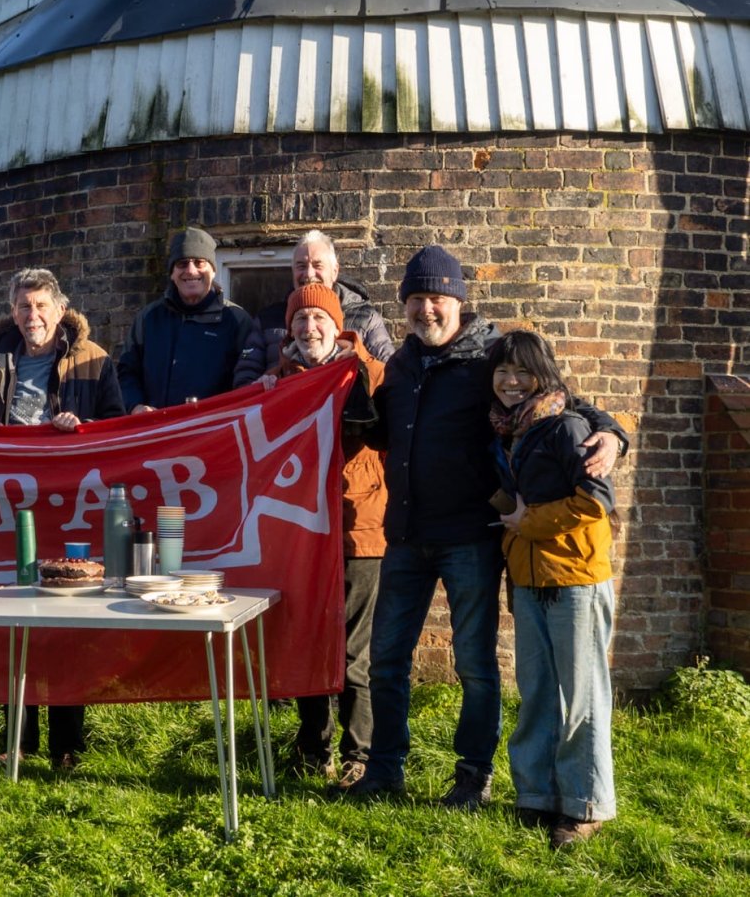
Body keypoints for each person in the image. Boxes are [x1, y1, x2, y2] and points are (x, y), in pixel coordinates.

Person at [345, 245, 626, 808]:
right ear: (404, 307)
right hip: (405, 536)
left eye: (437, 298)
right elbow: (378, 432)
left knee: (474, 664)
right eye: (416, 299)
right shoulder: (398, 365)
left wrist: (613, 432)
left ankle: (473, 774)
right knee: (387, 660)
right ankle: (384, 770)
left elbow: (560, 395)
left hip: (471, 536)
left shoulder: (486, 359)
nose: (426, 309)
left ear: (458, 302)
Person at [0, 268, 125, 770]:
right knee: (13, 623)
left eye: (40, 306)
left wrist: (80, 430)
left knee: (65, 625)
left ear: (60, 309)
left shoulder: (95, 362)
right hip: (10, 513)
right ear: (12, 312)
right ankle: (17, 739)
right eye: (22, 307)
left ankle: (66, 745)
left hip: (71, 511)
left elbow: (118, 432)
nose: (31, 316)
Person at [489, 330, 617, 849]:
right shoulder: (506, 430)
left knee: (582, 696)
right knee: (538, 691)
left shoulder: (568, 428)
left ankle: (585, 805)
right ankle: (537, 795)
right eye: (502, 372)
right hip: (529, 578)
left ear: (543, 375)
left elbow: (595, 502)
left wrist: (525, 521)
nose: (511, 381)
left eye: (522, 372)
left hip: (575, 578)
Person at [259, 283, 386, 790]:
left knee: (354, 650)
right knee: (310, 641)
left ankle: (360, 754)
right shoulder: (278, 380)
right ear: (289, 329)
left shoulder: (368, 372)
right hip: (302, 530)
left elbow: (385, 422)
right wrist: (265, 398)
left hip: (358, 526)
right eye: (300, 321)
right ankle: (314, 749)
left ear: (338, 325)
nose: (309, 329)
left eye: (319, 320)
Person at [234, 229, 394, 388]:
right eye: (301, 266)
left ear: (335, 271)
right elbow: (245, 383)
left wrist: (360, 364)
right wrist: (260, 388)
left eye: (318, 265)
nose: (309, 274)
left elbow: (391, 377)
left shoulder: (365, 318)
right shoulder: (267, 319)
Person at [117, 227, 252, 411]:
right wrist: (135, 405)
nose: (190, 270)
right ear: (172, 273)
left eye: (199, 262)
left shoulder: (237, 320)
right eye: (182, 264)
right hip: (157, 430)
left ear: (213, 271)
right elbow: (126, 373)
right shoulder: (148, 319)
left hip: (214, 434)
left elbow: (247, 380)